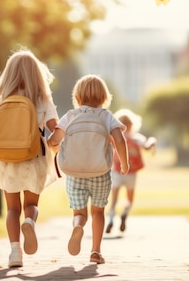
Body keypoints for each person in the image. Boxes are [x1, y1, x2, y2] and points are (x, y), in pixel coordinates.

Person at [0, 47, 59, 268]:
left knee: (12, 208)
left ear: (9, 74)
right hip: (35, 157)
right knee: (30, 204)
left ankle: (15, 252)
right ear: (37, 74)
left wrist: (6, 137)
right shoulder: (43, 99)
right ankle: (30, 221)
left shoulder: (2, 100)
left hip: (7, 160)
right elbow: (56, 128)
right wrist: (55, 141)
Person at [47, 74, 129, 265]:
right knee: (98, 212)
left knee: (79, 213)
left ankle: (78, 226)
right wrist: (124, 163)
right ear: (104, 97)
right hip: (100, 172)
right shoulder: (106, 116)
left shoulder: (71, 115)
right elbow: (119, 139)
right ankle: (95, 251)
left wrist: (57, 148)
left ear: (77, 96)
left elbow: (53, 141)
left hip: (74, 173)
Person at [105, 109, 156, 234]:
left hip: (117, 171)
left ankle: (111, 219)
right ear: (132, 124)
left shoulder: (114, 136)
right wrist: (153, 141)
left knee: (114, 200)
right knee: (130, 198)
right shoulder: (136, 138)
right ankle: (124, 214)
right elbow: (147, 146)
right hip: (131, 173)